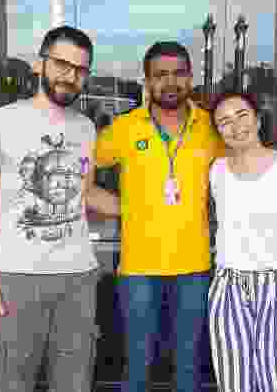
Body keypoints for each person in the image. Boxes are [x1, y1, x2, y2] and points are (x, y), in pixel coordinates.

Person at [0, 26, 120, 392]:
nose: (70, 76)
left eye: (80, 70)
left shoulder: (86, 128)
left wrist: (144, 208)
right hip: (15, 277)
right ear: (40, 64)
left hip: (79, 278)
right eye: (62, 64)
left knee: (74, 384)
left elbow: (84, 194)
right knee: (12, 383)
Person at [94, 41, 227, 392]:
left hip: (194, 266)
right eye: (161, 74)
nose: (171, 82)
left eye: (179, 73)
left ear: (191, 78)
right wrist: (121, 206)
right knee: (137, 366)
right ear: (148, 81)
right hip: (138, 267)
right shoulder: (125, 127)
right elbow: (78, 170)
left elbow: (243, 171)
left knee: (188, 367)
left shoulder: (211, 128)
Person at [207, 91, 277, 392]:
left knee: (276, 381)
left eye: (242, 115)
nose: (235, 126)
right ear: (218, 131)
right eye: (224, 122)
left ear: (257, 120)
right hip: (228, 286)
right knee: (232, 381)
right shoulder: (217, 170)